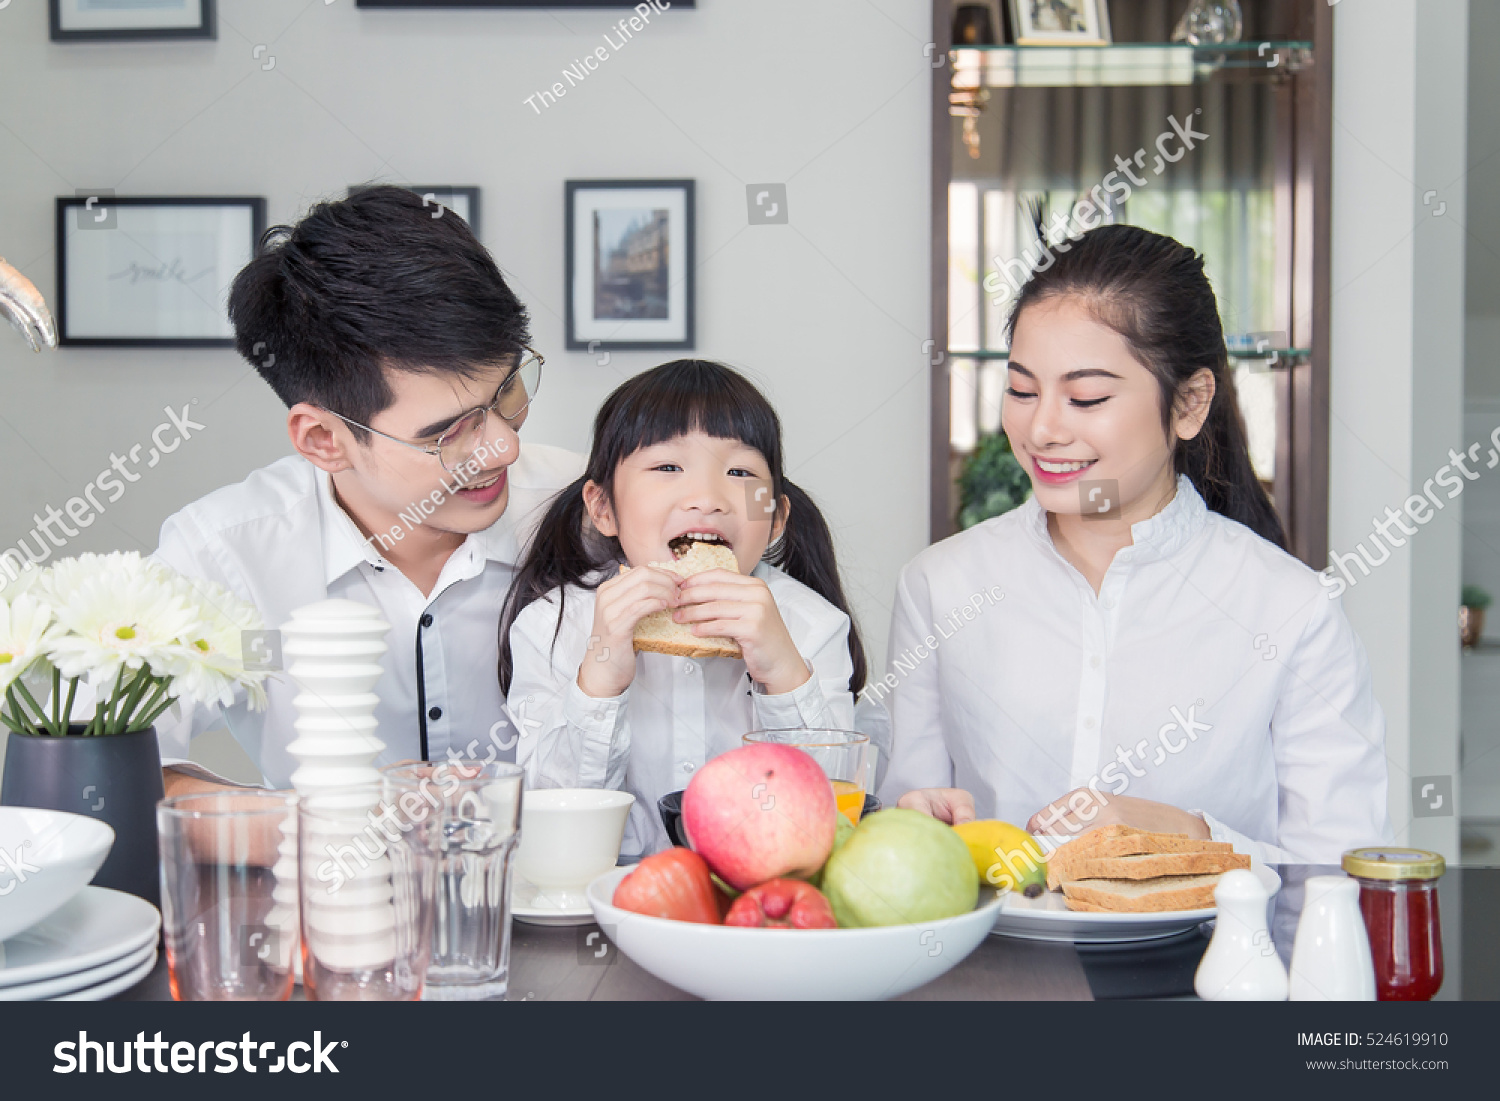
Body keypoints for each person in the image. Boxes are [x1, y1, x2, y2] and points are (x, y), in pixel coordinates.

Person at [880, 224, 1390, 864]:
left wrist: (1187, 833)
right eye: (1021, 389)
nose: (1041, 428)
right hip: (995, 961)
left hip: (1213, 963)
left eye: (1086, 396)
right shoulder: (940, 585)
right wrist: (914, 827)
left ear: (1190, 403)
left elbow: (1342, 873)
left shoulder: (1292, 609)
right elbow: (906, 829)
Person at [153, 186, 581, 797]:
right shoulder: (223, 554)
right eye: (449, 433)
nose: (503, 448)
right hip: (321, 886)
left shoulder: (586, 506)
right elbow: (107, 772)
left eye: (508, 391)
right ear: (325, 439)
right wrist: (334, 824)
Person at [499, 360, 880, 856]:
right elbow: (552, 820)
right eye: (667, 468)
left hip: (760, 900)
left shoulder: (812, 626)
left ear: (777, 517)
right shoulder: (551, 624)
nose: (707, 498)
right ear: (603, 508)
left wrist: (783, 670)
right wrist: (599, 675)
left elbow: (828, 812)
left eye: (740, 472)